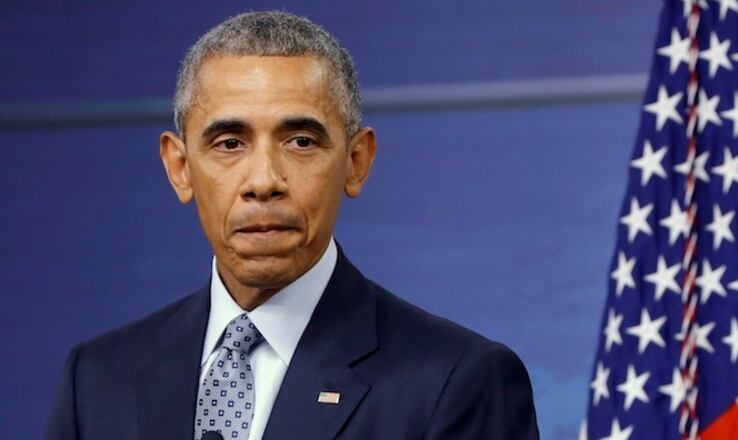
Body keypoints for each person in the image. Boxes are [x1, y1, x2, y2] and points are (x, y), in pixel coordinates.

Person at [45, 11, 539, 440]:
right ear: (180, 167)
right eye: (229, 143)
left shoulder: (458, 381)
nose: (264, 181)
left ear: (356, 162)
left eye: (301, 141)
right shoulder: (97, 378)